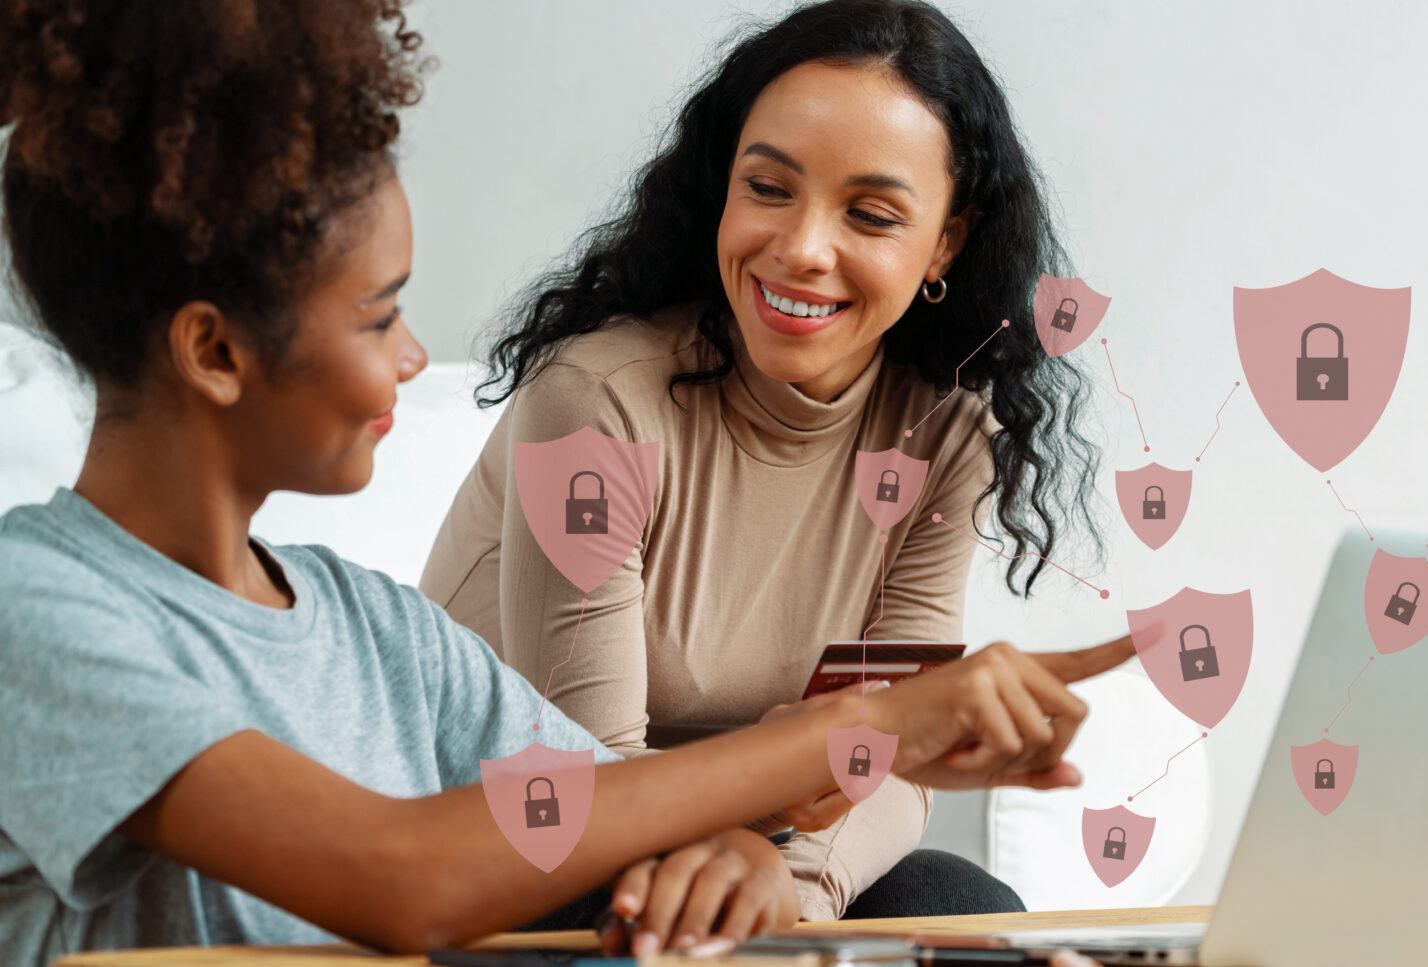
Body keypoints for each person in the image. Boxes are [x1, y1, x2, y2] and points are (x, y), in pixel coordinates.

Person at [0, 1, 1120, 964]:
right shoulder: (37, 609)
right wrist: (862, 728)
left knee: (949, 915)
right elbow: (404, 875)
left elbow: (598, 818)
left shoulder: (381, 630)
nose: (410, 355)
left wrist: (747, 847)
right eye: (380, 315)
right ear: (216, 353)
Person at [421, 0, 1110, 922]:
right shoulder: (597, 403)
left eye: (869, 213)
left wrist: (794, 904)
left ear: (946, 239)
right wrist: (767, 859)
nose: (800, 249)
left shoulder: (945, 437)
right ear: (725, 188)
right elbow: (586, 782)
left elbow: (896, 765)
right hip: (520, 837)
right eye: (769, 188)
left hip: (753, 841)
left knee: (958, 897)